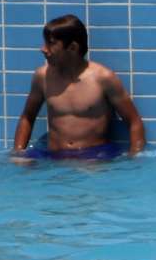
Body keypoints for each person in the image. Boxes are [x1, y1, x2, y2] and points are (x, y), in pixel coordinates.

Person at [11, 13, 146, 157]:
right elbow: (27, 117)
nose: (43, 49)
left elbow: (134, 121)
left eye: (51, 43)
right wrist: (18, 154)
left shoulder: (103, 78)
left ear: (73, 48)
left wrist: (135, 156)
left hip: (93, 159)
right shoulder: (42, 77)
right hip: (54, 158)